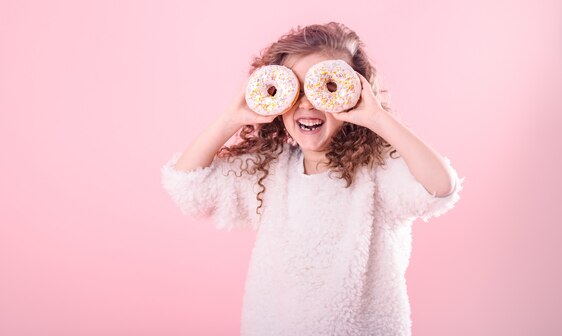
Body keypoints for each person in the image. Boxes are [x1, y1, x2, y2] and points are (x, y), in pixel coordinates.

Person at [160, 21, 465, 336]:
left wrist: (377, 118)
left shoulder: (378, 171)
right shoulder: (270, 171)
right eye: (295, 90)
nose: (307, 103)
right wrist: (231, 118)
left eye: (326, 88)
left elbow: (441, 188)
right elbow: (187, 185)